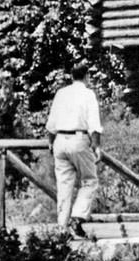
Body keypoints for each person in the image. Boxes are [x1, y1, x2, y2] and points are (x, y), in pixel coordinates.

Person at [44, 62, 102, 238]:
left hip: (60, 139)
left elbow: (51, 122)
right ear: (87, 77)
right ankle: (78, 216)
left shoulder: (61, 93)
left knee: (64, 184)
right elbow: (94, 123)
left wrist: (50, 142)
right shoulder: (88, 94)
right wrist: (97, 146)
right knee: (90, 180)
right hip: (79, 139)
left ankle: (62, 227)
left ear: (71, 76)